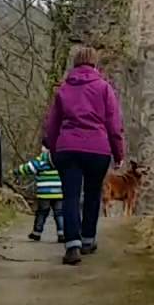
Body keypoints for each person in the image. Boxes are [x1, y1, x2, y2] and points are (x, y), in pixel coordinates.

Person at [42, 45, 125, 265]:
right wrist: (119, 153)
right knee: (92, 194)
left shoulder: (64, 89)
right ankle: (88, 239)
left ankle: (72, 246)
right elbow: (114, 125)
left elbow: (52, 123)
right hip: (98, 149)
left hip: (68, 148)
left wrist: (51, 147)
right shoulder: (104, 88)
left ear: (75, 64)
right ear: (94, 64)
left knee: (70, 196)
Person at [11, 146, 64, 243]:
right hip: (59, 192)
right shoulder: (62, 158)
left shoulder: (42, 159)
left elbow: (29, 168)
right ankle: (62, 233)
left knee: (42, 213)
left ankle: (37, 233)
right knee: (60, 213)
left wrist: (17, 171)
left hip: (44, 193)